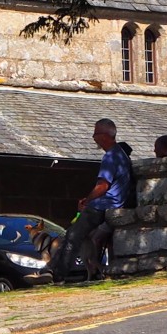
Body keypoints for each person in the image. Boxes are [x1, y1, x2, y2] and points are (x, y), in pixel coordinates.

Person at [56, 118, 133, 281]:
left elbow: (102, 186)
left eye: (96, 133)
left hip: (104, 205)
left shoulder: (110, 157)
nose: (93, 137)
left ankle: (58, 274)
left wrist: (87, 200)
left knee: (72, 235)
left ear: (105, 136)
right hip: (116, 203)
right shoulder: (122, 154)